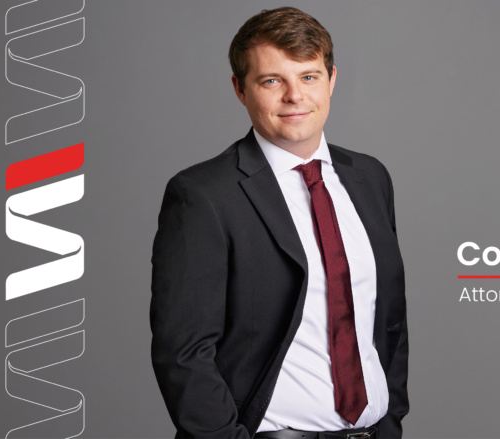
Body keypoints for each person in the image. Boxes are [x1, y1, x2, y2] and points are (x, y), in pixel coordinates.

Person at [150, 6, 409, 439]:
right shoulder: (203, 195)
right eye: (272, 81)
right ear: (240, 89)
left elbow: (387, 320)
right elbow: (183, 353)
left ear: (331, 80)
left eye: (308, 76)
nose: (294, 96)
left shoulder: (369, 178)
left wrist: (391, 421)